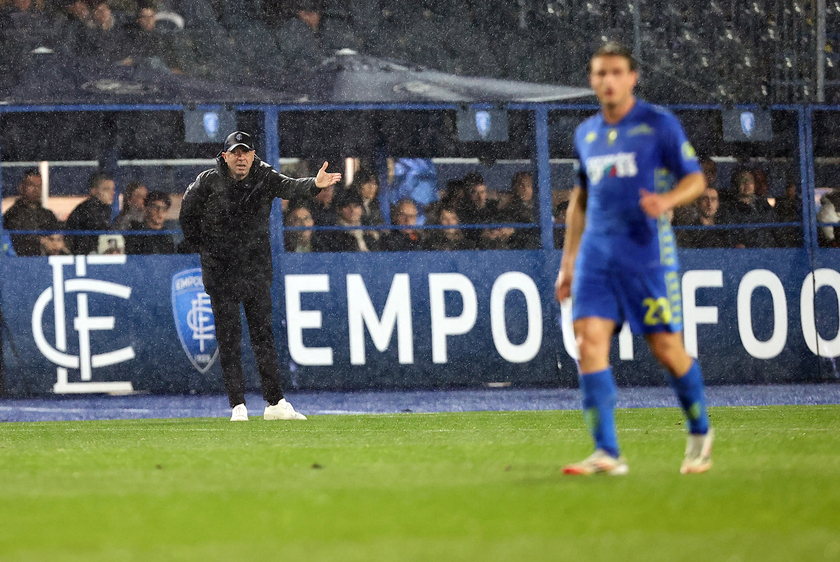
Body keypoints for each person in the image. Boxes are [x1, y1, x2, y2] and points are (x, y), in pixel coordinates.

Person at [554, 42, 713, 476]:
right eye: (600, 73)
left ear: (632, 77)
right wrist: (568, 262)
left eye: (616, 72)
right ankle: (607, 452)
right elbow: (579, 202)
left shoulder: (657, 125)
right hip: (595, 259)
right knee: (588, 343)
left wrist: (667, 200)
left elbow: (696, 180)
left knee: (665, 349)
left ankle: (700, 430)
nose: (607, 80)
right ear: (592, 79)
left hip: (646, 256)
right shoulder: (586, 134)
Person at [179, 131, 341, 421]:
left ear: (253, 155)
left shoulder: (265, 176)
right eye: (236, 153)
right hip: (221, 273)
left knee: (262, 336)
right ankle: (237, 405)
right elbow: (187, 217)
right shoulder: (207, 181)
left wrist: (315, 184)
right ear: (225, 156)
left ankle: (275, 403)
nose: (241, 158)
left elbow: (291, 187)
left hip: (255, 270)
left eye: (246, 152)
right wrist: (208, 248)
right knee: (229, 339)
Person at [2, 169, 60, 256]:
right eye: (32, 185)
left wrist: (55, 242)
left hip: (47, 261)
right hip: (24, 262)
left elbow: (56, 234)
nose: (36, 190)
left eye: (39, 186)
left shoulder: (48, 214)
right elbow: (17, 240)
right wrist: (41, 241)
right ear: (21, 187)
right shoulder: (12, 214)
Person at [716, 168, 776, 248]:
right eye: (742, 180)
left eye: (750, 180)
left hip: (767, 250)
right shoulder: (729, 208)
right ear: (736, 184)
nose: (746, 183)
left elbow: (774, 229)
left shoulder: (764, 205)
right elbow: (729, 234)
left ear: (754, 184)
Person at [65, 171, 115, 255]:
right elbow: (99, 231)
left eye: (113, 189)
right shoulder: (89, 209)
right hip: (85, 255)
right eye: (106, 189)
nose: (112, 193)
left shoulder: (104, 209)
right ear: (94, 191)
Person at [124, 190, 176, 254]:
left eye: (164, 208)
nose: (159, 211)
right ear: (146, 209)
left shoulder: (168, 235)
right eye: (155, 207)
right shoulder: (136, 233)